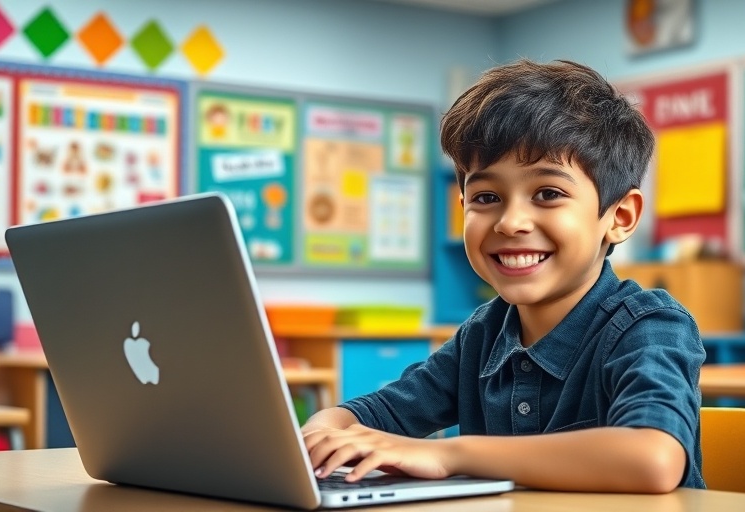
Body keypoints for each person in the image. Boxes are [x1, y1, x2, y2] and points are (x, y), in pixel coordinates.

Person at [301, 58, 705, 493]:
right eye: (487, 196)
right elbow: (370, 413)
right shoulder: (482, 335)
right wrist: (323, 432)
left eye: (548, 193)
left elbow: (653, 459)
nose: (510, 222)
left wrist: (449, 454)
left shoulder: (650, 325)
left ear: (619, 216)